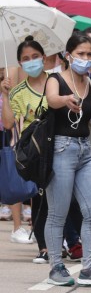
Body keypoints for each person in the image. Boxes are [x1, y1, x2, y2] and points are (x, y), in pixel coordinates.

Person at [42, 32, 91, 287]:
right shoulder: (56, 79)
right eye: (81, 54)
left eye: (89, 54)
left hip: (86, 151)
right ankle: (56, 267)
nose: (85, 59)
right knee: (58, 213)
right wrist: (64, 100)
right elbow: (52, 99)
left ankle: (89, 267)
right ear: (68, 55)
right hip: (61, 150)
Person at [2, 37, 48, 253]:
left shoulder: (57, 82)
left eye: (35, 57)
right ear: (20, 63)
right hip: (34, 151)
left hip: (59, 147)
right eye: (26, 59)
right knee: (40, 198)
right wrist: (5, 93)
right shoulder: (19, 91)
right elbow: (10, 123)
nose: (31, 62)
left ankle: (69, 240)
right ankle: (44, 247)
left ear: (44, 57)